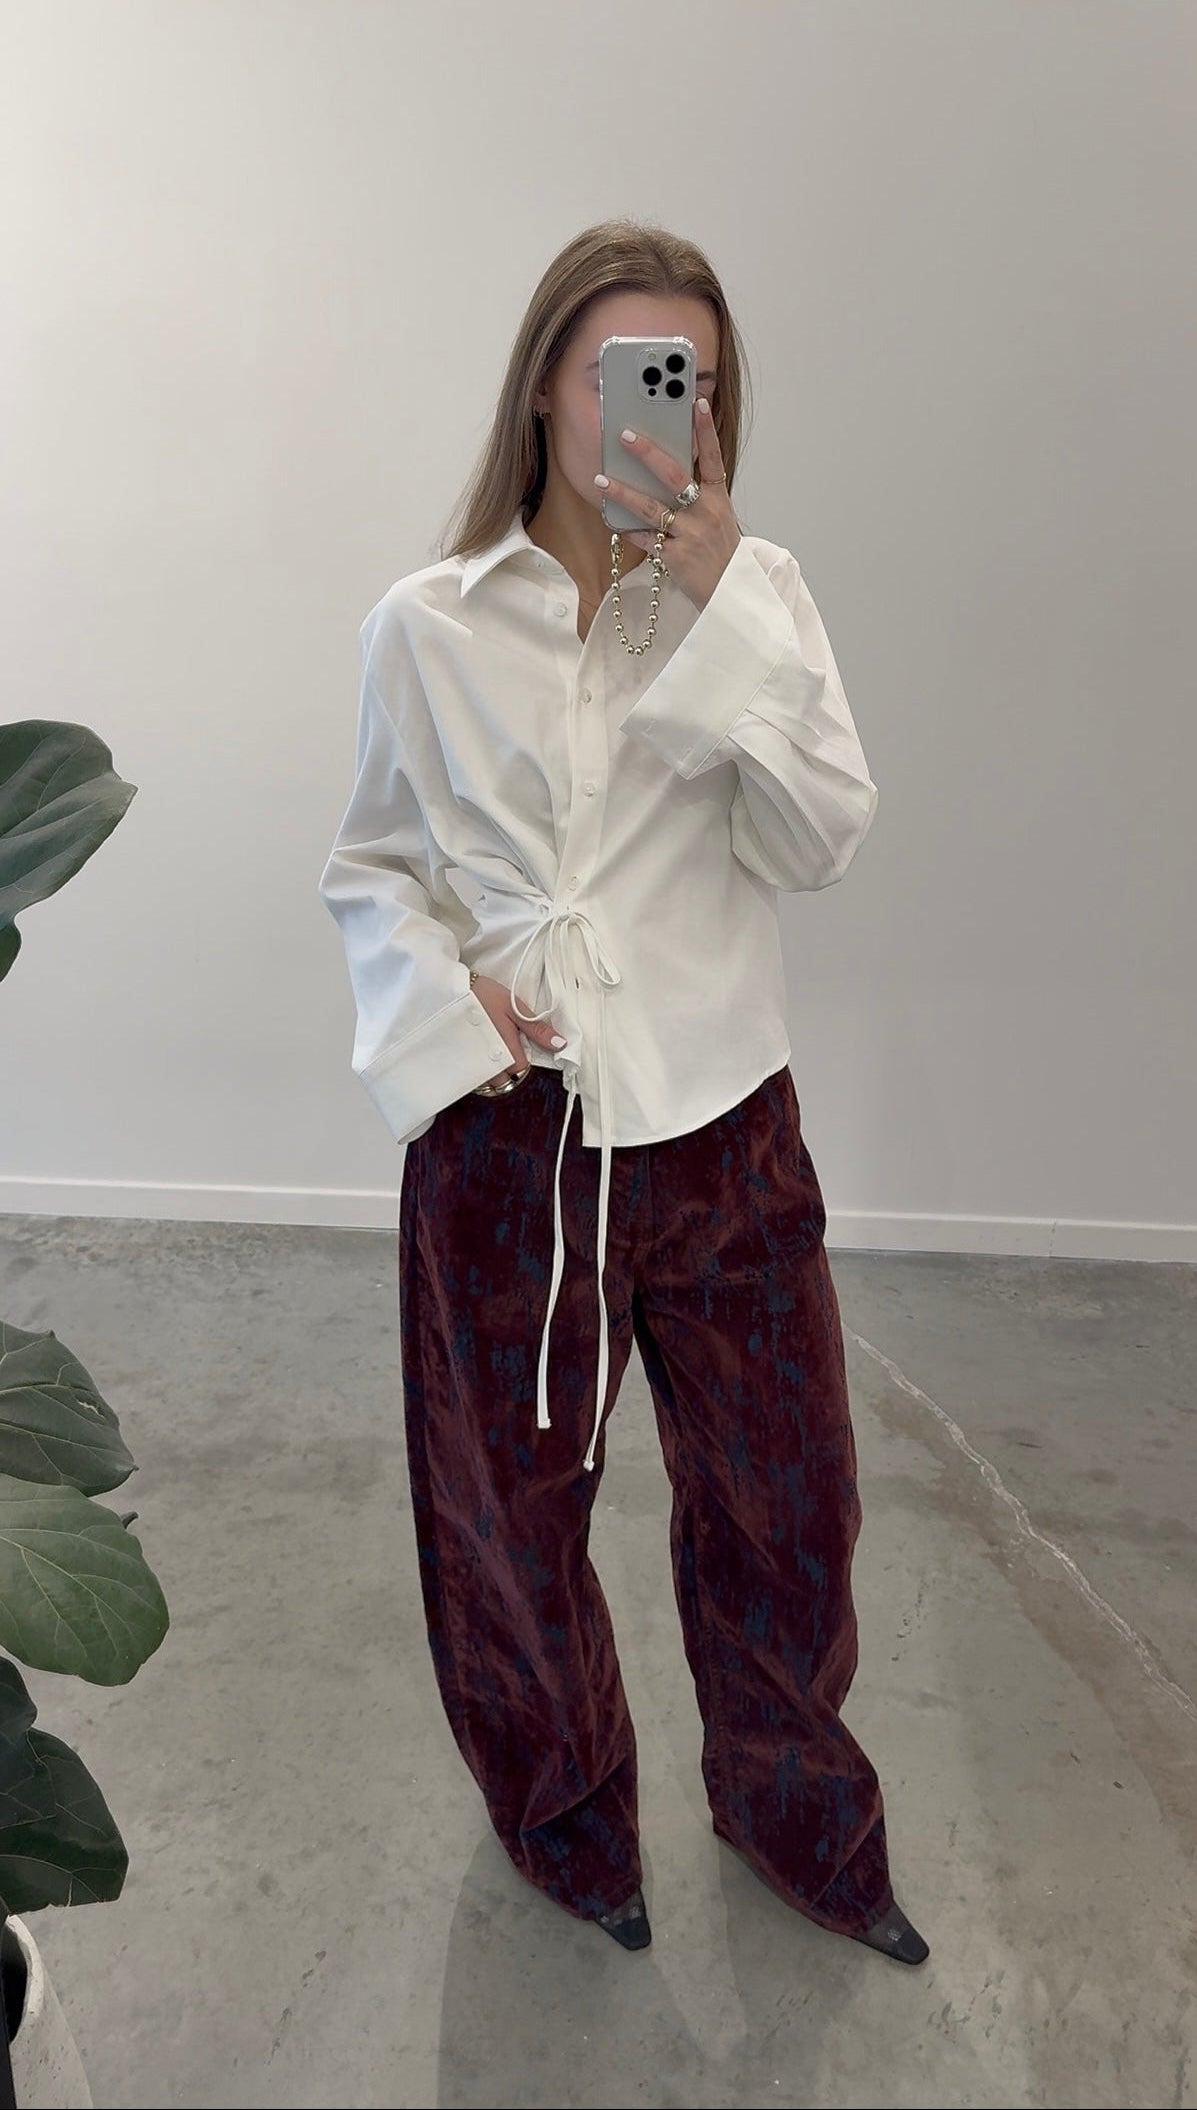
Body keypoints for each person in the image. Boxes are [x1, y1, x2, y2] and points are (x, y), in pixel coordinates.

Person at [318, 219, 929, 1967]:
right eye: (628, 373)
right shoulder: (423, 627)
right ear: (544, 388)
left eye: (695, 384)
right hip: (513, 1136)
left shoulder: (757, 598)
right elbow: (372, 869)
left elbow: (818, 840)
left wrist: (721, 600)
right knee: (505, 1525)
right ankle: (568, 1817)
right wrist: (447, 1015)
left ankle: (796, 1813)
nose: (663, 410)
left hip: (724, 1120)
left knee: (788, 1507)